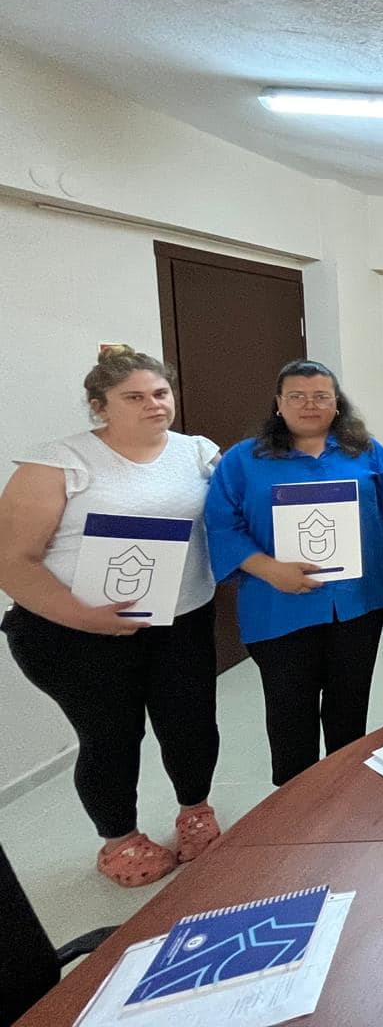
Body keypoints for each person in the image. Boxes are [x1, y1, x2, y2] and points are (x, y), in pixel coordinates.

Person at [0, 347, 221, 887]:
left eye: (161, 393)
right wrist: (84, 617)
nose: (154, 404)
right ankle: (119, 838)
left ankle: (195, 811)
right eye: (134, 397)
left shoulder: (197, 452)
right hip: (76, 633)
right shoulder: (59, 463)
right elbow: (12, 560)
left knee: (192, 726)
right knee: (110, 738)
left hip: (182, 622)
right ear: (100, 406)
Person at [206, 361, 383, 787]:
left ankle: (345, 790)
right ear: (279, 404)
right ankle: (296, 801)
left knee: (349, 704)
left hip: (358, 601)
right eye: (297, 396)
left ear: (337, 403)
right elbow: (222, 524)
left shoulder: (367, 452)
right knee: (289, 710)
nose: (309, 404)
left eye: (321, 396)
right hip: (278, 605)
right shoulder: (244, 460)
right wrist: (269, 569)